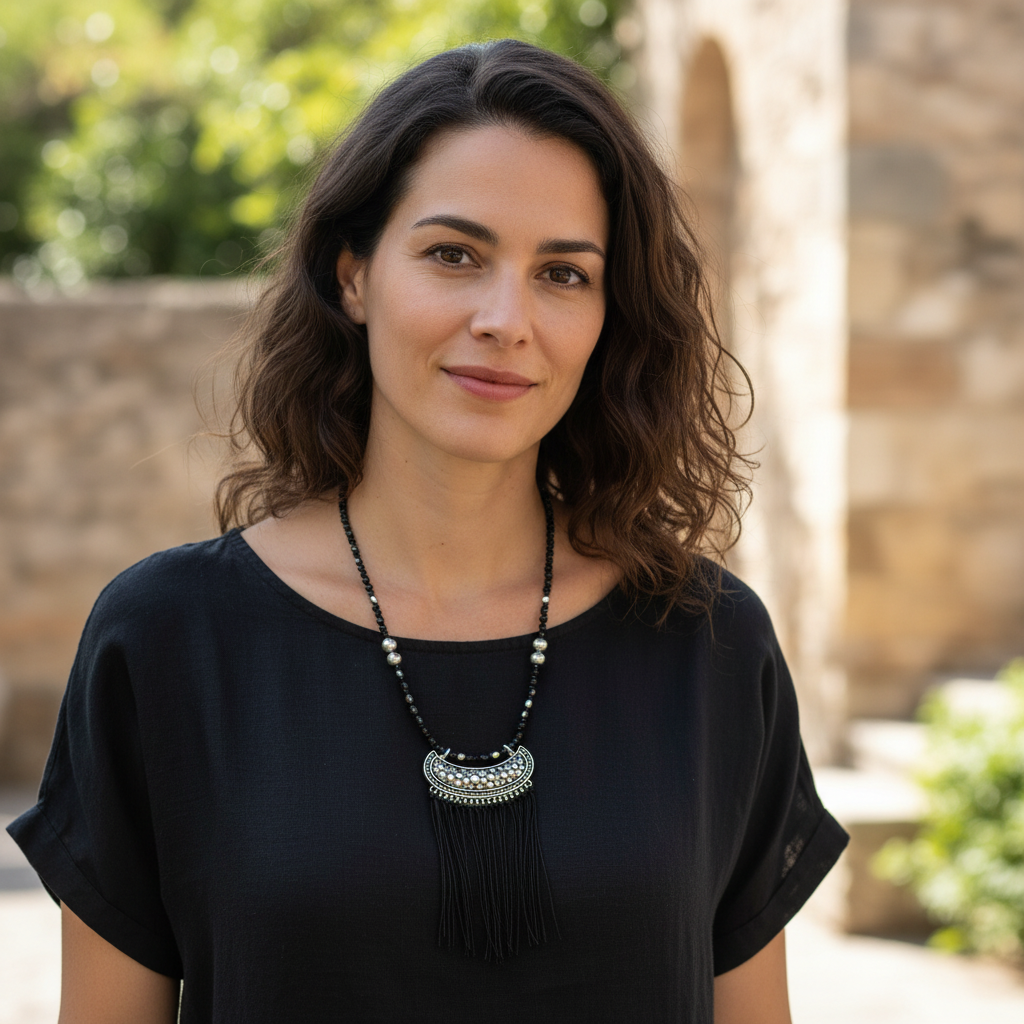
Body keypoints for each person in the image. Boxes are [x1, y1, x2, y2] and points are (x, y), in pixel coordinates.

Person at [8, 38, 847, 1024]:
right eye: (455, 254)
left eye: (564, 274)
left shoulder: (706, 643)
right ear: (353, 275)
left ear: (609, 314)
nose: (506, 317)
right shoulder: (167, 640)